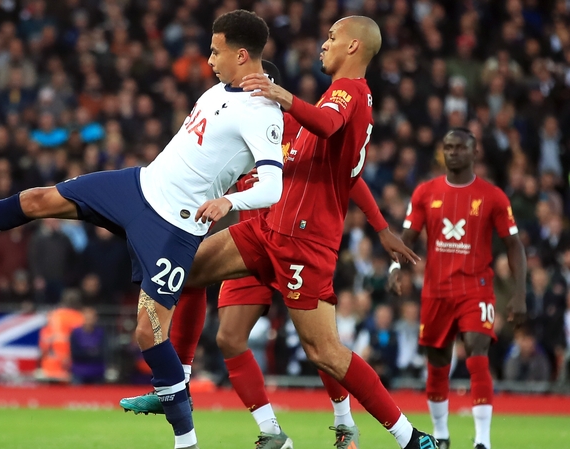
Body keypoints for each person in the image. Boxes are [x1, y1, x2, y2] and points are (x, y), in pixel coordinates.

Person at [0, 10, 284, 449]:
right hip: (137, 186)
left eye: (216, 50)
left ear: (241, 54)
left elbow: (271, 186)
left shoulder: (262, 112)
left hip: (174, 225)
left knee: (148, 333)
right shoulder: (220, 89)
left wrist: (228, 201)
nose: (209, 57)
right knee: (34, 199)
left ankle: (186, 441)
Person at [126, 15, 435, 449]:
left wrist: (280, 94)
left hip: (302, 242)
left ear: (353, 47)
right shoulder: (331, 98)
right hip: (267, 229)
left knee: (324, 351)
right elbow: (344, 168)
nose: (322, 44)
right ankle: (180, 384)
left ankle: (408, 437)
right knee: (186, 270)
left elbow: (329, 132)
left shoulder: (348, 93)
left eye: (331, 37)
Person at [389, 128, 528, 449]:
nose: (453, 152)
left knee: (477, 353)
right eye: (448, 147)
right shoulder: (425, 192)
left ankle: (482, 441)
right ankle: (441, 435)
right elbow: (405, 239)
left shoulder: (493, 196)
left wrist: (520, 293)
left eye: (460, 147)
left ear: (474, 152)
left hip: (476, 288)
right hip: (436, 291)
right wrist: (396, 268)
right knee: (437, 363)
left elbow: (514, 245)